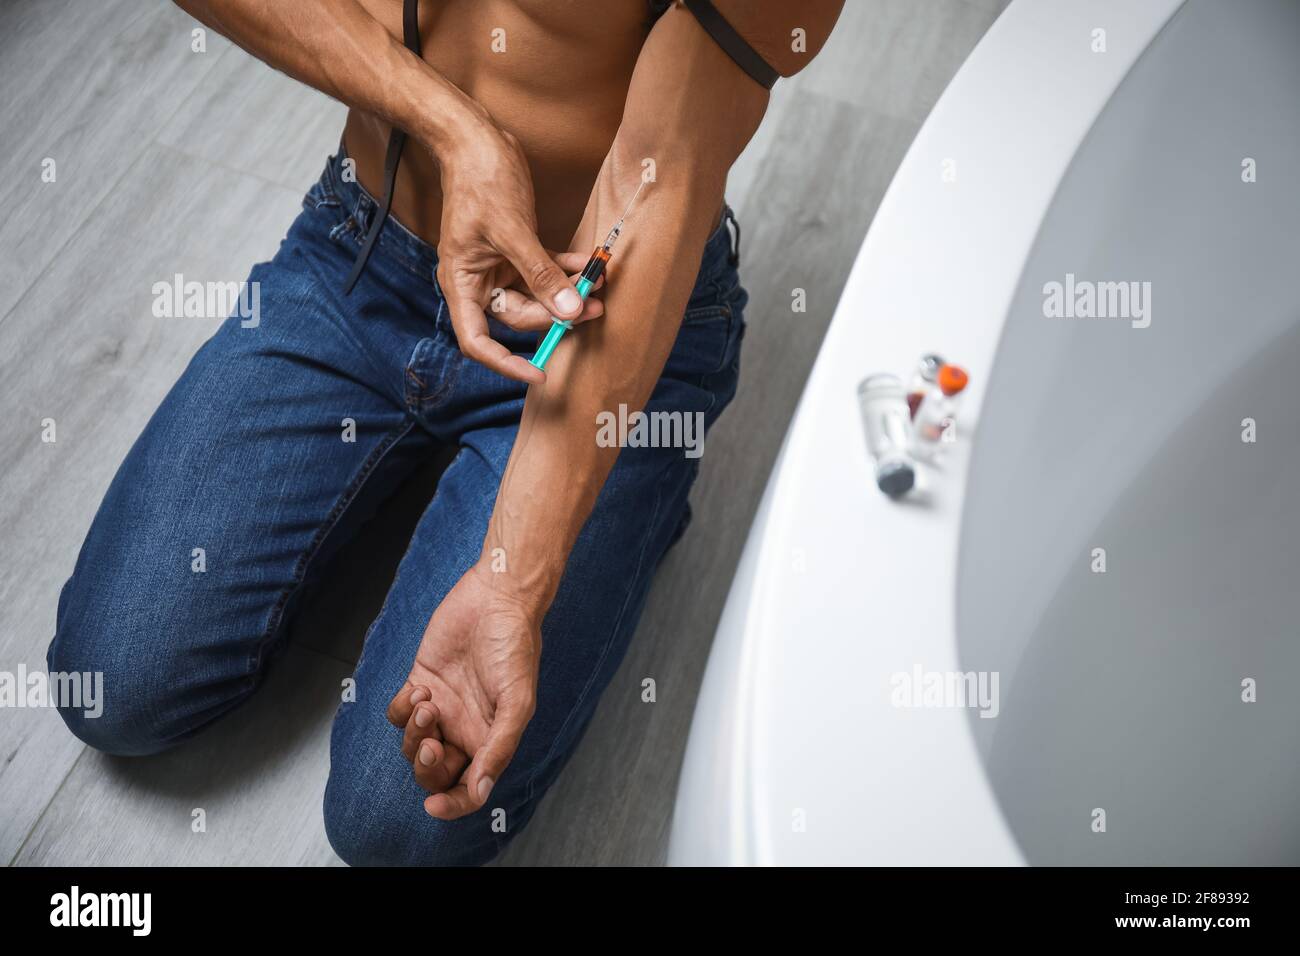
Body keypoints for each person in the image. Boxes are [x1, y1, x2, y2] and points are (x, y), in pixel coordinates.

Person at [47, 0, 844, 865]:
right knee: (111, 682)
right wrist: (456, 128)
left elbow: (666, 171)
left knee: (396, 821)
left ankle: (624, 478)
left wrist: (515, 587)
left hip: (588, 311)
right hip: (363, 248)